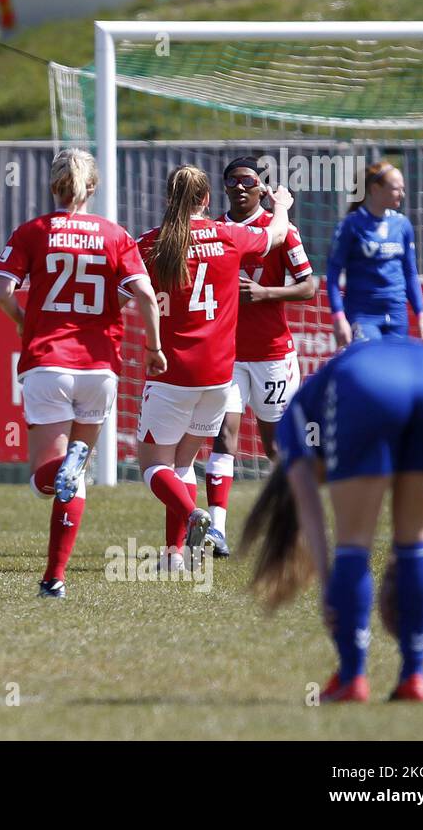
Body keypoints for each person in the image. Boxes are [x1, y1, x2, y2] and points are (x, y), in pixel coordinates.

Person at [240, 335, 423, 703]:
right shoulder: (319, 401)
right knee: (418, 541)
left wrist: (329, 585)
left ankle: (352, 677)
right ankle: (414, 676)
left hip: (367, 386)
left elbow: (311, 515)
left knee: (353, 545)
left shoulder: (295, 423)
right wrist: (398, 573)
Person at [0, 148, 165, 599]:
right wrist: (154, 346)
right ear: (94, 187)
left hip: (48, 361)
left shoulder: (33, 231)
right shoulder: (114, 235)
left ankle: (65, 475)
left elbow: (3, 291)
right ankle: (55, 578)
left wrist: (22, 321)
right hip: (99, 366)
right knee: (78, 476)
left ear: (53, 186)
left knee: (42, 481)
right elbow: (146, 297)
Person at [135, 165, 293, 572]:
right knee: (183, 464)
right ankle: (174, 557)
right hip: (220, 378)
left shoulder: (152, 243)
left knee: (154, 466)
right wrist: (283, 208)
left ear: (170, 199)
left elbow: (124, 283)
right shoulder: (229, 236)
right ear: (207, 199)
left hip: (172, 374)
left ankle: (194, 515)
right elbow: (274, 236)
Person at [203, 156, 316, 558]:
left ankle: (295, 524)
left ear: (260, 187)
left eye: (247, 180)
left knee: (275, 446)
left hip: (272, 354)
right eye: (231, 180)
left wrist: (266, 293)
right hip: (227, 354)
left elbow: (308, 286)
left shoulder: (280, 230)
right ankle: (216, 530)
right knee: (224, 437)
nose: (238, 187)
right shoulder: (214, 231)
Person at [327, 160, 423, 348]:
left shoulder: (402, 225)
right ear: (375, 189)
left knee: (394, 373)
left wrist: (422, 317)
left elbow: (410, 274)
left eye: (403, 188)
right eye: (396, 189)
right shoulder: (351, 225)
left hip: (396, 313)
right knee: (369, 369)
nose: (402, 194)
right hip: (363, 314)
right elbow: (333, 276)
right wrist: (339, 317)